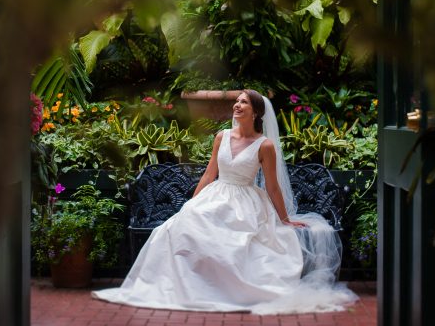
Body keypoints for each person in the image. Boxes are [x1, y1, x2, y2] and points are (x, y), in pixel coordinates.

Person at [92, 90, 358, 314]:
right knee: (174, 230)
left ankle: (227, 291)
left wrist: (284, 218)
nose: (237, 105)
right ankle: (182, 287)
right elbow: (209, 174)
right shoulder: (222, 136)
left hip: (247, 202)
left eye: (244, 102)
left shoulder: (264, 145)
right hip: (216, 194)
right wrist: (191, 205)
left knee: (233, 243)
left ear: (255, 112)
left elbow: (274, 186)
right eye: (237, 101)